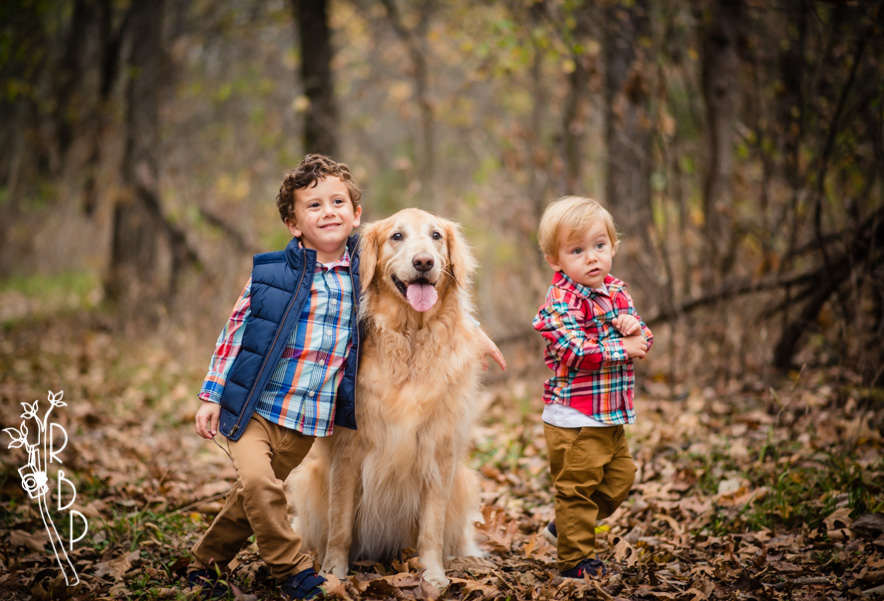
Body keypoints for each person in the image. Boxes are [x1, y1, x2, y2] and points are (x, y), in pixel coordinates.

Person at [188, 154, 505, 600]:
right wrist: (211, 394)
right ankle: (297, 567)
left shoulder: (356, 263)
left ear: (355, 215)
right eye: (313, 206)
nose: (422, 253)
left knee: (253, 491)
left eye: (435, 239)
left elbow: (445, 297)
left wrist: (474, 332)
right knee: (261, 485)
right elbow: (235, 331)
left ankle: (205, 563)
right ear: (293, 222)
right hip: (261, 408)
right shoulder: (282, 272)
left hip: (304, 418)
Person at [531, 196, 653, 579]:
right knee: (577, 489)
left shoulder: (615, 290)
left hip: (610, 412)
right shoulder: (561, 302)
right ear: (556, 260)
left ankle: (564, 526)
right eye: (577, 250)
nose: (591, 258)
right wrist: (625, 346)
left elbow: (640, 334)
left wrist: (636, 330)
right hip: (575, 418)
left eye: (599, 246)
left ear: (613, 246)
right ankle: (574, 562)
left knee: (620, 479)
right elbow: (575, 350)